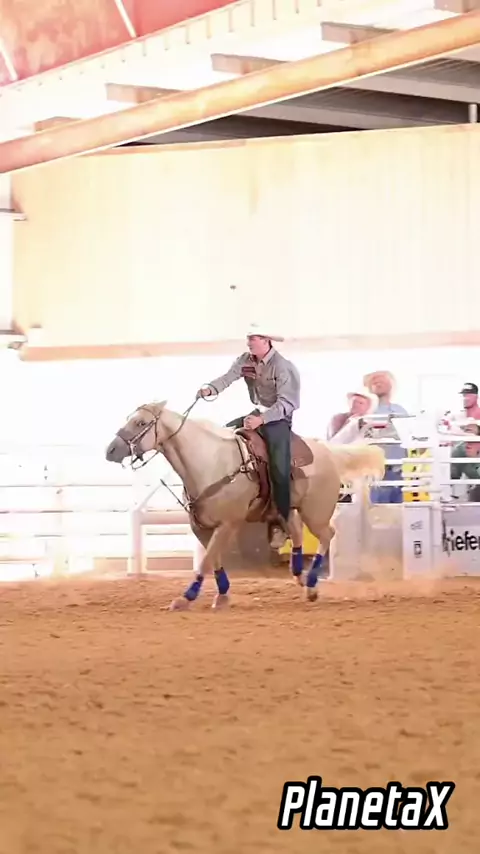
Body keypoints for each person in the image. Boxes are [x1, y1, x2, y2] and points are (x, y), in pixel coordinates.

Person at [196, 324, 300, 543]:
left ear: (266, 340)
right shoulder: (245, 359)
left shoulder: (283, 367)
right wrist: (210, 389)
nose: (249, 342)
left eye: (253, 338)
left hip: (278, 418)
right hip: (257, 413)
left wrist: (262, 419)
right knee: (224, 435)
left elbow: (288, 403)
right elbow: (228, 377)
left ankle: (281, 521)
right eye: (248, 338)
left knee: (279, 468)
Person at [363, 370, 408, 504]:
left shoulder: (400, 410)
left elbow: (408, 435)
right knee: (377, 511)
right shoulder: (366, 411)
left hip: (399, 471)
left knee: (400, 511)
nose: (378, 382)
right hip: (376, 472)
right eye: (374, 380)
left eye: (382, 379)